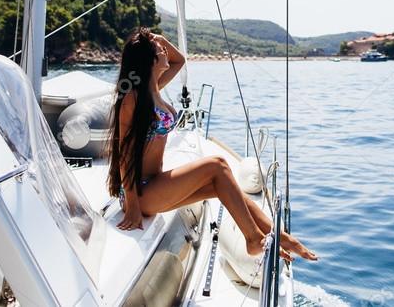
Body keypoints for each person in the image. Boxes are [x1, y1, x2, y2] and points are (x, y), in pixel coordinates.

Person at [106, 28, 317, 261]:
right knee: (217, 165)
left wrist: (159, 40)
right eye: (160, 50)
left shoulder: (153, 87)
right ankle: (254, 239)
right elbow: (124, 153)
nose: (166, 51)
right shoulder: (133, 98)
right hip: (140, 192)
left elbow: (180, 60)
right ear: (151, 60)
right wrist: (134, 206)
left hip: (155, 183)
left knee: (222, 187)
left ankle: (281, 236)